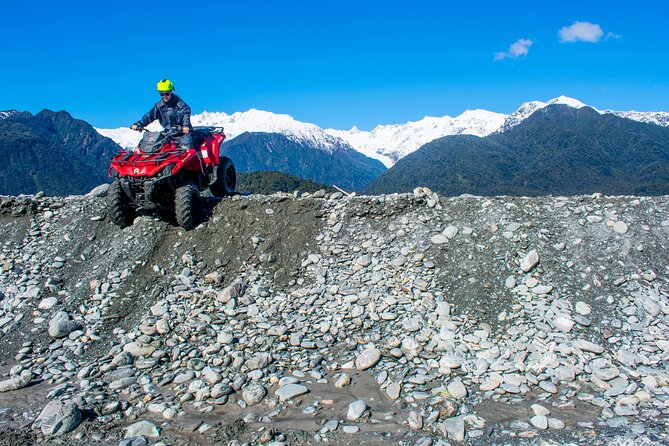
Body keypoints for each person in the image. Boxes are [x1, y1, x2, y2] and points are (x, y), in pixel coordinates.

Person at [131, 79, 193, 149]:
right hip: (168, 133)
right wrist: (139, 124)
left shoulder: (179, 104)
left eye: (167, 94)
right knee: (154, 146)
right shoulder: (159, 106)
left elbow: (186, 113)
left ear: (171, 92)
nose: (164, 96)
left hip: (182, 133)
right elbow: (149, 116)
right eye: (161, 94)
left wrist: (185, 126)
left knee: (186, 147)